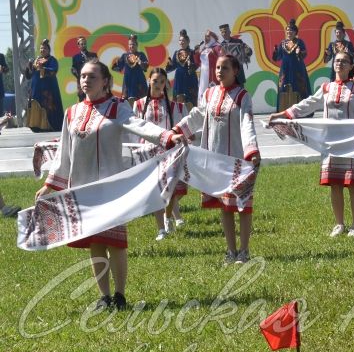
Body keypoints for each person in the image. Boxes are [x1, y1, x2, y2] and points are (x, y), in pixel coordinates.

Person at [35, 60, 183, 310]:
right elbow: (65, 152)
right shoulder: (72, 112)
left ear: (105, 81)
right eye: (83, 76)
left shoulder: (116, 107)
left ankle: (120, 295)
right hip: (84, 188)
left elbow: (140, 125)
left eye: (92, 76)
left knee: (115, 242)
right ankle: (104, 296)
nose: (85, 80)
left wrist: (167, 136)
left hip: (111, 189)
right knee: (95, 243)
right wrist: (50, 184)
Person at [268, 51, 354, 236]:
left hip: (352, 144)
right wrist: (282, 115)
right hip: (331, 143)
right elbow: (306, 105)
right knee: (335, 185)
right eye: (337, 61)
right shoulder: (326, 88)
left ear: (351, 66)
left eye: (344, 61)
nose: (340, 64)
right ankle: (339, 224)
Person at [174, 55, 260, 263]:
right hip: (215, 160)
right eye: (218, 68)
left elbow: (247, 122)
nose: (220, 71)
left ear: (236, 71)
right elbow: (196, 115)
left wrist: (251, 150)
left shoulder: (242, 96)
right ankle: (231, 251)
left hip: (238, 160)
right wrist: (178, 130)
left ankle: (244, 250)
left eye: (225, 68)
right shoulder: (210, 93)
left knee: (242, 206)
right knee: (225, 206)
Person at [133, 68, 189, 240]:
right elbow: (135, 129)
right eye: (155, 81)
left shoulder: (172, 106)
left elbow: (182, 125)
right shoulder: (139, 105)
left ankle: (169, 215)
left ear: (166, 84)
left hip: (168, 152)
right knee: (154, 190)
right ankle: (161, 229)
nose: (158, 85)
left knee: (171, 190)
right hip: (147, 154)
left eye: (162, 82)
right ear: (149, 80)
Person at [23, 39, 64, 132]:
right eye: (41, 48)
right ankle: (36, 126)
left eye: (44, 48)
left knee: (47, 107)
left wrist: (42, 68)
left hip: (47, 89)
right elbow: (29, 75)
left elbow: (53, 71)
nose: (42, 50)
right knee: (35, 104)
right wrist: (28, 67)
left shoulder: (52, 60)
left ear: (48, 50)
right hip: (35, 88)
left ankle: (49, 126)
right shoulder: (37, 60)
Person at [273, 19, 310, 110]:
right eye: (287, 30)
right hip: (285, 69)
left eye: (291, 30)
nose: (289, 32)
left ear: (295, 32)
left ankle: (302, 110)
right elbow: (278, 57)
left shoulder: (299, 42)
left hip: (297, 69)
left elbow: (304, 54)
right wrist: (275, 52)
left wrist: (299, 52)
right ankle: (284, 109)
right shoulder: (282, 43)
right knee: (283, 88)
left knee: (299, 88)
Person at [165, 29, 200, 106]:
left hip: (190, 78)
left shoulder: (192, 52)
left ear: (188, 42)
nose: (181, 42)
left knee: (190, 101)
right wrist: (170, 65)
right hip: (179, 79)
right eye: (180, 40)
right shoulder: (176, 53)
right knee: (179, 102)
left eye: (183, 40)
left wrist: (192, 65)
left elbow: (197, 64)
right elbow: (172, 67)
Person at [112, 34, 149, 102]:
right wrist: (116, 63)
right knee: (127, 102)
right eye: (130, 44)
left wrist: (140, 63)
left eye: (133, 44)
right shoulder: (124, 55)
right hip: (128, 82)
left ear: (137, 45)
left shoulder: (141, 54)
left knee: (141, 101)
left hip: (139, 81)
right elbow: (118, 68)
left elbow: (145, 67)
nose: (131, 46)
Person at [70, 36, 98, 102]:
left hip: (92, 81)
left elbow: (97, 67)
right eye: (81, 44)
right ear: (78, 46)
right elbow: (74, 68)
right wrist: (77, 75)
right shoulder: (75, 57)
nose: (83, 45)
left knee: (93, 98)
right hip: (81, 82)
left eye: (84, 43)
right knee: (82, 99)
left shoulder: (93, 55)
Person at [196, 29, 221, 93]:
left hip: (212, 75)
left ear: (212, 37)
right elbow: (198, 62)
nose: (205, 38)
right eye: (205, 36)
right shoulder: (204, 48)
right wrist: (196, 53)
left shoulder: (217, 47)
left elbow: (221, 59)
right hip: (203, 75)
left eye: (207, 36)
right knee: (204, 93)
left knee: (213, 93)